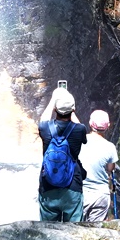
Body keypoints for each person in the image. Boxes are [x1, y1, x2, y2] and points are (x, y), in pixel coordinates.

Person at [37, 85, 88, 221]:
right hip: (73, 186)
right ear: (73, 110)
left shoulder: (45, 128)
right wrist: (71, 109)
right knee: (75, 231)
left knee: (47, 231)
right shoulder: (79, 130)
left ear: (55, 109)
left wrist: (54, 98)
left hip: (48, 185)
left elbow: (42, 120)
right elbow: (80, 127)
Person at [79, 109, 118, 222]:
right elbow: (110, 168)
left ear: (90, 124)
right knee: (95, 232)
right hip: (101, 195)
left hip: (81, 194)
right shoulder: (110, 147)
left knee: (78, 230)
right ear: (108, 126)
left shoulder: (80, 140)